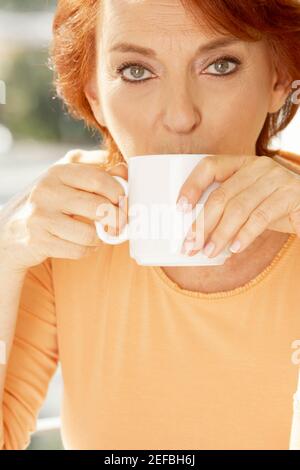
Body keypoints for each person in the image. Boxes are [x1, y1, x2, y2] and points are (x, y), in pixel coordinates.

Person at [1, 0, 300, 450]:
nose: (181, 116)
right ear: (95, 96)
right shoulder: (59, 229)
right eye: (136, 71)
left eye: (220, 65)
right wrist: (6, 256)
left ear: (278, 80)